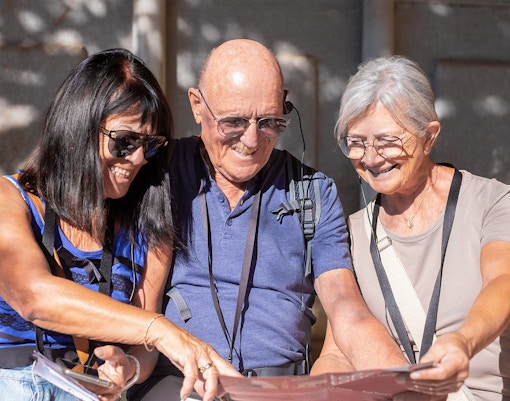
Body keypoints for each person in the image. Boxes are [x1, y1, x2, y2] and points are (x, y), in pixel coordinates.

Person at [128, 39, 418, 401]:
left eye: (269, 122)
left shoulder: (313, 193)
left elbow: (345, 308)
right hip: (179, 381)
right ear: (197, 105)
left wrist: (403, 384)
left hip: (279, 389)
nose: (251, 140)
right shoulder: (158, 172)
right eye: (233, 122)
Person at [0, 48, 238, 401]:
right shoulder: (11, 197)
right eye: (124, 141)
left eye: (151, 144)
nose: (139, 158)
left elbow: (143, 339)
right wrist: (159, 330)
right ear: (78, 127)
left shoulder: (148, 224)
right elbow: (32, 295)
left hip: (86, 390)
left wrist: (129, 368)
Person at [326, 55, 510, 400]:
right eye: (356, 142)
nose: (371, 157)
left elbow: (503, 281)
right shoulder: (348, 233)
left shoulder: (492, 203)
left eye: (387, 140)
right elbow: (336, 352)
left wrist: (462, 342)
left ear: (429, 137)